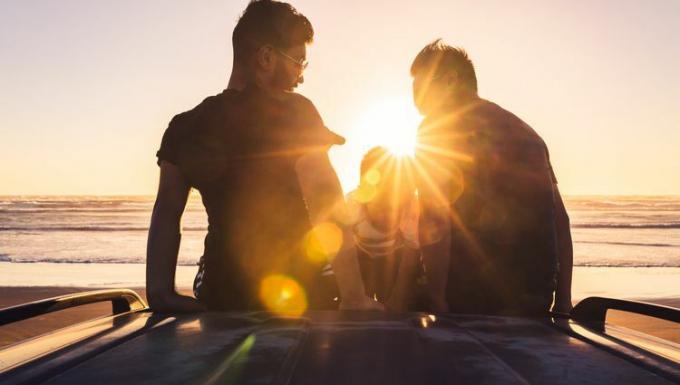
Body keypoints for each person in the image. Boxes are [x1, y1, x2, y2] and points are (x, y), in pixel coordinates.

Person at [146, 0, 379, 313]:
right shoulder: (295, 113)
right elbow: (326, 200)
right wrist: (354, 298)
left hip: (221, 296)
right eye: (298, 61)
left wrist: (161, 293)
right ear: (267, 57)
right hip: (296, 296)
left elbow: (166, 212)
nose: (302, 75)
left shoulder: (185, 126)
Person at [410, 40, 573, 316]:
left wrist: (436, 298)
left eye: (419, 85)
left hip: (469, 295)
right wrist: (564, 300)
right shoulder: (528, 134)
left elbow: (434, 219)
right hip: (534, 297)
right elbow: (560, 220)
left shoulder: (437, 128)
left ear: (450, 80)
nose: (413, 95)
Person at [341, 147, 422, 311]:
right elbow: (342, 251)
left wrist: (398, 298)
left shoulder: (410, 209)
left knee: (398, 298)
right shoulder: (353, 205)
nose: (386, 215)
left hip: (393, 255)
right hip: (359, 253)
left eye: (393, 206)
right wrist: (354, 295)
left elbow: (410, 257)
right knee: (356, 291)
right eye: (381, 205)